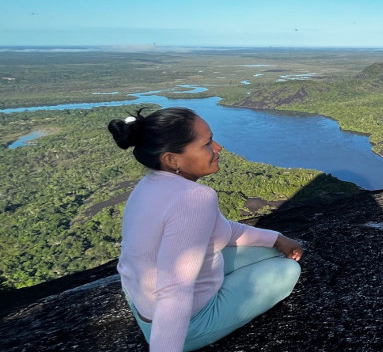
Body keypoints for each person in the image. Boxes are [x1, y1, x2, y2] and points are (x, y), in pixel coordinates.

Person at [108, 107, 303, 352]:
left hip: (143, 302)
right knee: (287, 269)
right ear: (172, 159)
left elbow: (223, 231)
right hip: (186, 323)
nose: (218, 147)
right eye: (207, 143)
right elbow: (174, 287)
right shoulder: (194, 198)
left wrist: (277, 238)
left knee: (275, 252)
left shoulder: (149, 184)